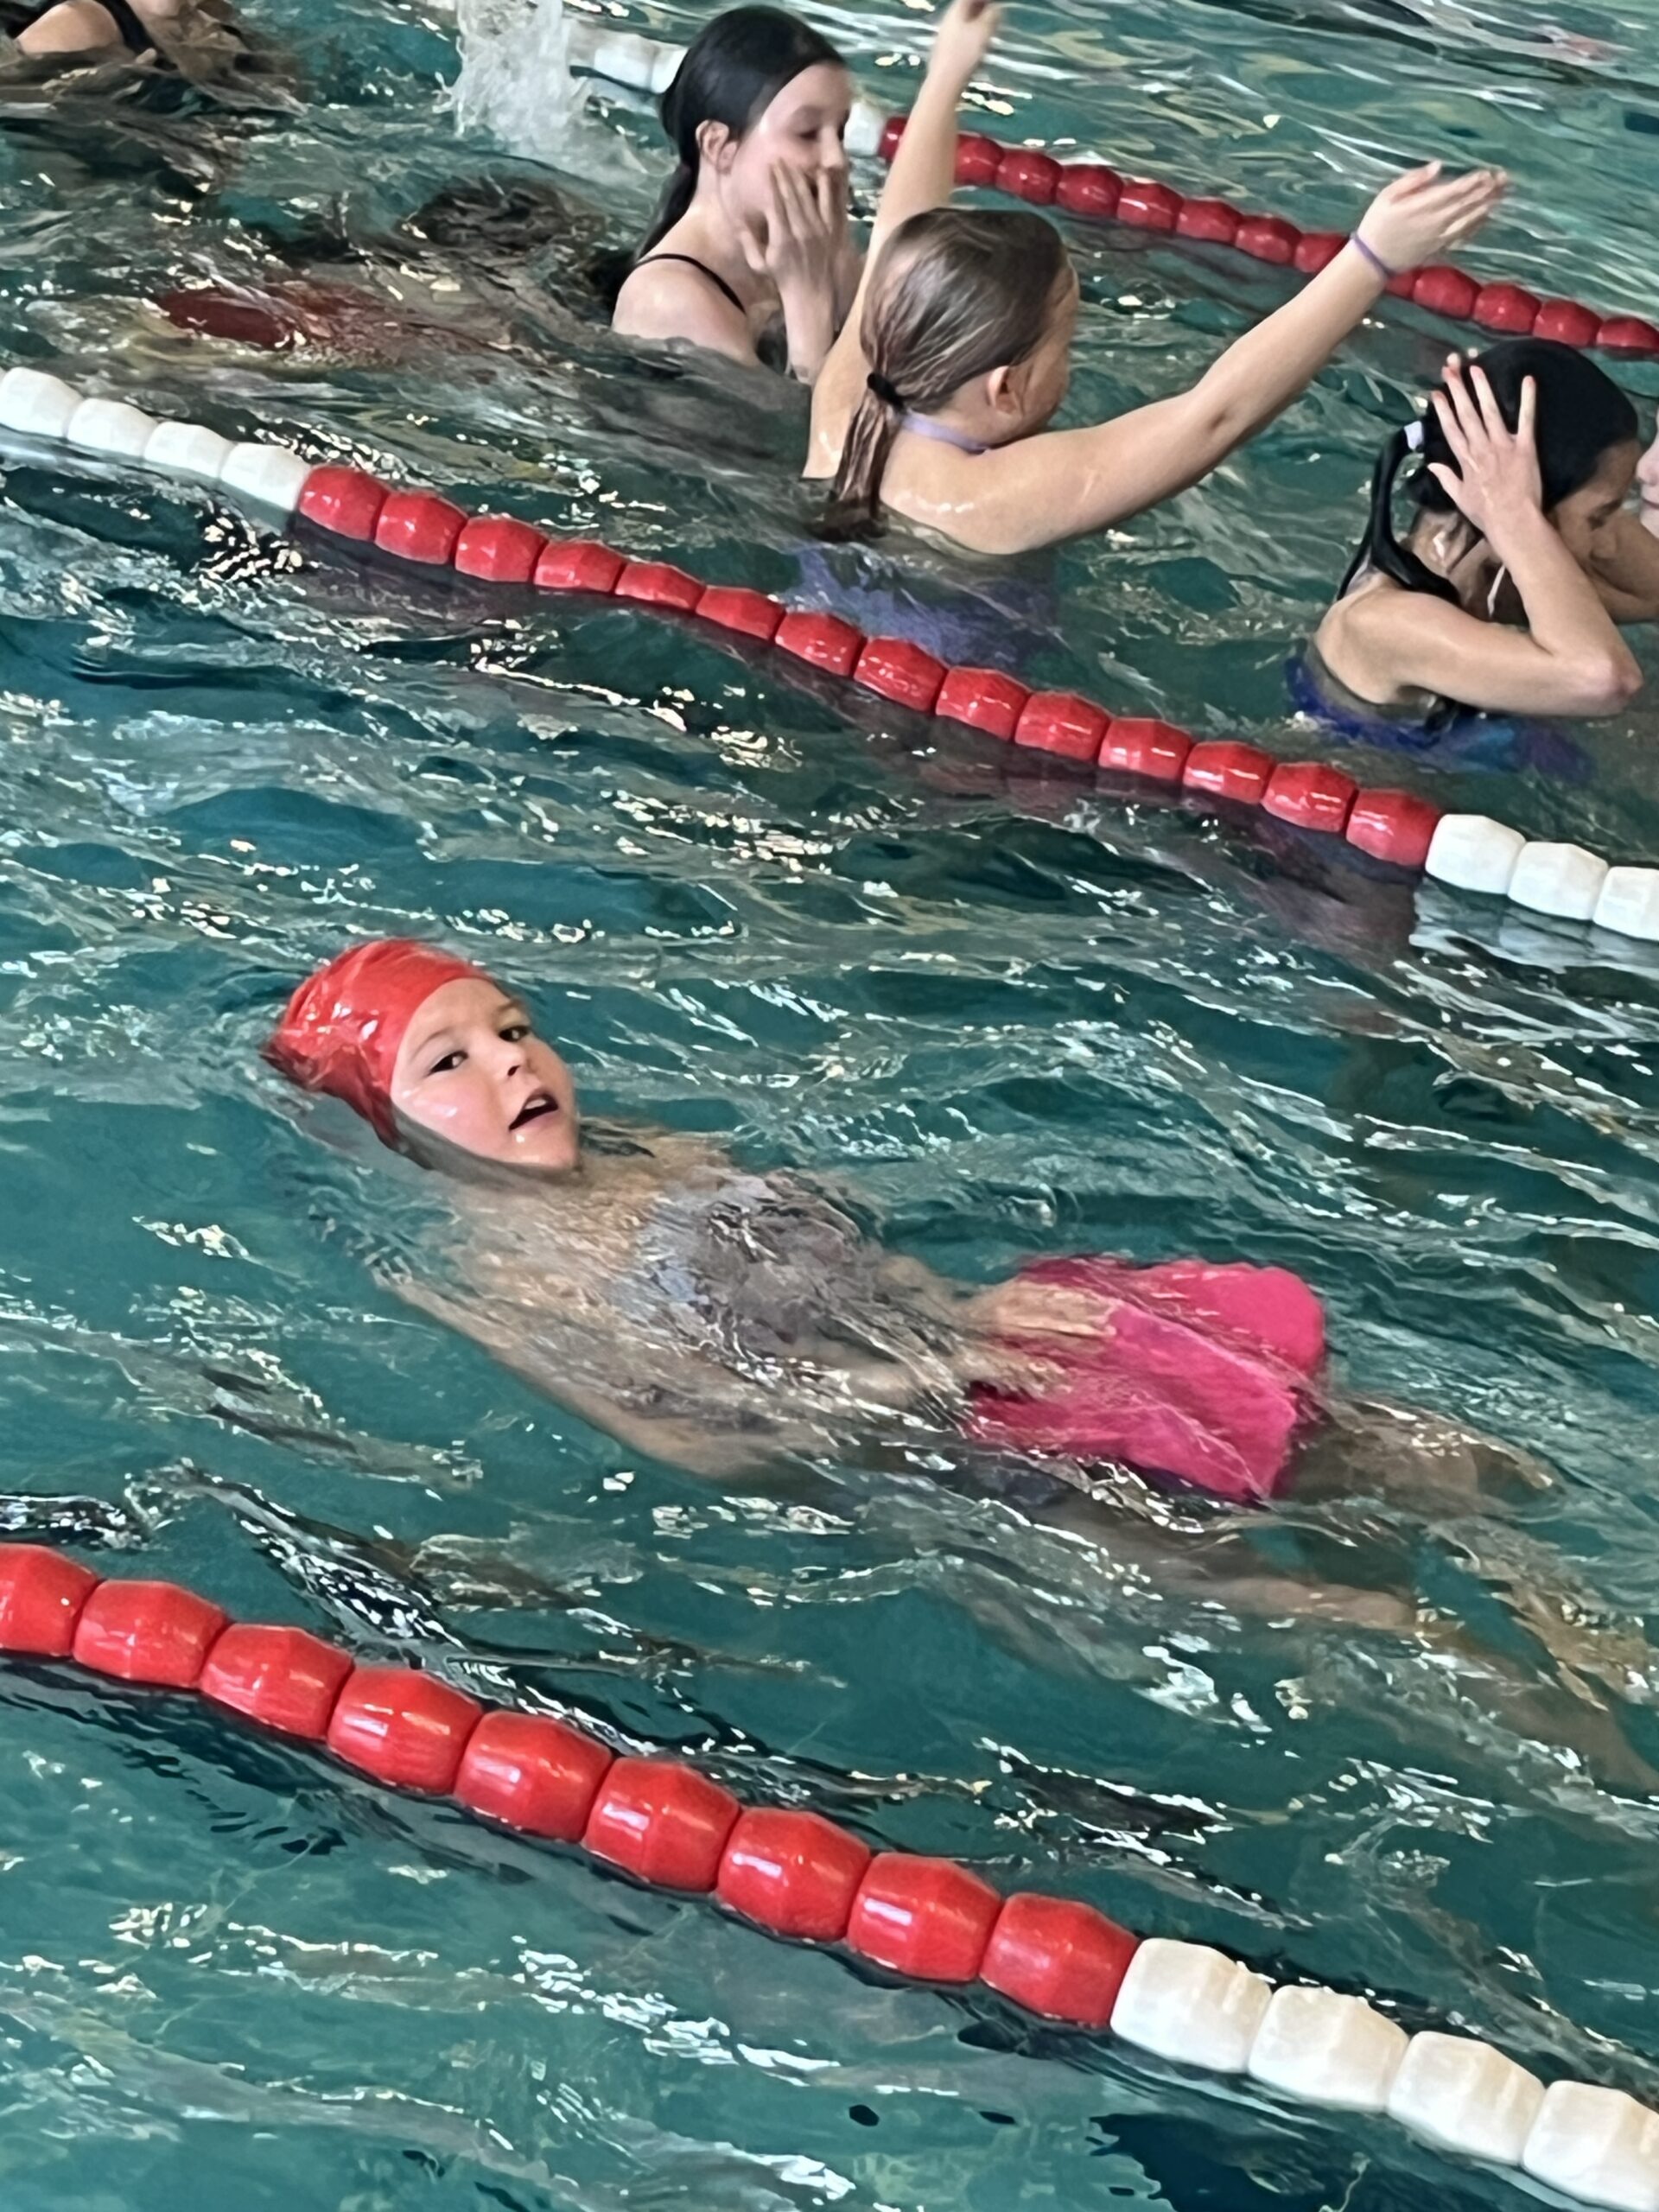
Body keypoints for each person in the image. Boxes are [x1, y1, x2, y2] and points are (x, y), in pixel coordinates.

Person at [804, 0, 1506, 554]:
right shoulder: (988, 499)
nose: (1072, 360)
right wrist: (1372, 258)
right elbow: (1214, 416)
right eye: (1065, 344)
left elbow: (901, 234)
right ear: (1005, 389)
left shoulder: (846, 414)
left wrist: (947, 73)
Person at [1310, 342, 1659, 725]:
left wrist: (1524, 511)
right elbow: (1606, 681)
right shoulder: (1382, 623)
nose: (1607, 547)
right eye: (1597, 520)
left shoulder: (1495, 583)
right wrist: (1515, 514)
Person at [610, 5, 859, 382]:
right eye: (807, 133)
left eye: (839, 132)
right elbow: (810, 418)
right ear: (717, 145)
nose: (836, 159)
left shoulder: (804, 256)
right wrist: (810, 302)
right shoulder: (670, 299)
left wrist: (837, 263)